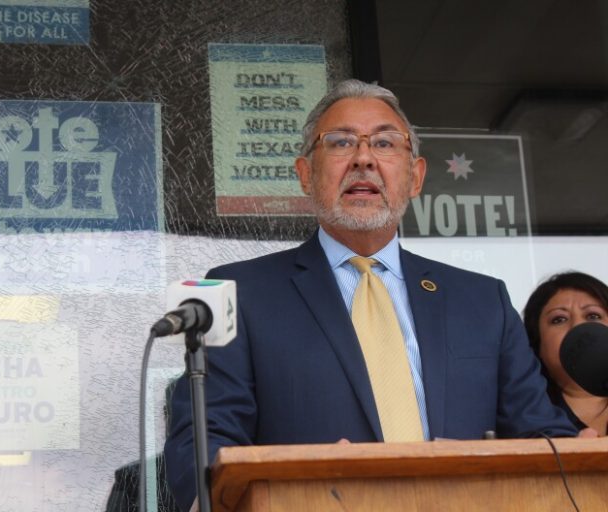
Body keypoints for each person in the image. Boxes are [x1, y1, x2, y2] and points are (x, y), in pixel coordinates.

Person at [163, 79, 579, 512]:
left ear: (415, 177)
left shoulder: (483, 301)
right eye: (341, 142)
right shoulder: (237, 292)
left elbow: (541, 438)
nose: (363, 158)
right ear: (306, 175)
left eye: (384, 142)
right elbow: (205, 441)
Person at [523, 272, 608, 437]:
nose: (577, 326)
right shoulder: (525, 415)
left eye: (593, 316)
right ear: (537, 342)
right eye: (559, 319)